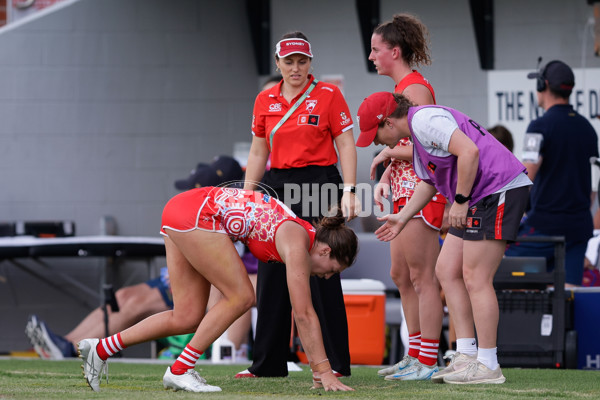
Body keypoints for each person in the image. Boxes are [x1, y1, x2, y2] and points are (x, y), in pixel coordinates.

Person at [77, 186, 358, 393]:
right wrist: (323, 371)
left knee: (186, 317)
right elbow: (304, 314)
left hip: (182, 209)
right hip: (196, 214)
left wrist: (320, 371)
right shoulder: (298, 242)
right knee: (243, 296)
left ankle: (101, 348)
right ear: (324, 249)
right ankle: (181, 369)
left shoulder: (298, 235)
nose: (326, 277)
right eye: (332, 270)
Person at [356, 92, 532, 384]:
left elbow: (470, 152)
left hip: (499, 188)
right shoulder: (417, 134)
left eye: (373, 133)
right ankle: (465, 356)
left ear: (386, 122)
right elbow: (429, 182)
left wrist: (460, 200)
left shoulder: (424, 120)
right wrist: (402, 216)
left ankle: (488, 364)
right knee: (445, 270)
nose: (374, 142)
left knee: (475, 276)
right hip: (478, 194)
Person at [25, 156, 257, 361]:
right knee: (124, 296)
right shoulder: (194, 214)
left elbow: (246, 275)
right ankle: (68, 345)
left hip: (217, 280)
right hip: (190, 276)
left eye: (194, 190)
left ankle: (218, 359)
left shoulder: (238, 214)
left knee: (224, 297)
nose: (187, 196)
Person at [236, 31, 360, 379]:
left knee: (323, 269)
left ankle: (335, 363)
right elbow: (259, 150)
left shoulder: (329, 95)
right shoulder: (265, 99)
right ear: (277, 63)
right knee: (272, 271)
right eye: (288, 61)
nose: (295, 68)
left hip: (320, 183)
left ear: (310, 63)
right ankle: (268, 364)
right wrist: (248, 195)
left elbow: (346, 145)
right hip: (278, 186)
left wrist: (349, 190)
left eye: (301, 61)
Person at [365, 13, 446, 381]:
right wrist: (384, 173)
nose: (371, 57)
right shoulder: (402, 90)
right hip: (403, 188)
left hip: (421, 188)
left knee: (422, 276)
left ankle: (428, 359)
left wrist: (384, 156)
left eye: (375, 50)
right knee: (401, 274)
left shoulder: (414, 90)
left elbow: (426, 145)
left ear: (394, 52)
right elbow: (399, 142)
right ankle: (415, 354)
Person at [505, 60, 598, 287]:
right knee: (567, 293)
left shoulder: (539, 127)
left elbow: (524, 177)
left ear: (542, 85)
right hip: (578, 227)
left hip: (545, 226)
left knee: (500, 264)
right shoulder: (587, 128)